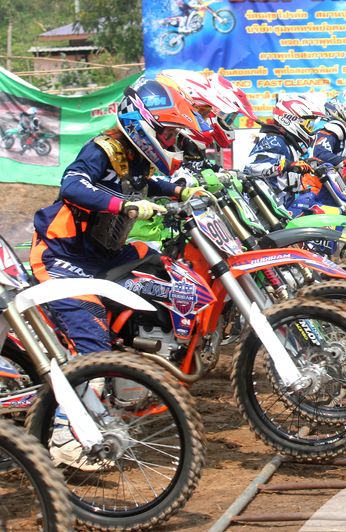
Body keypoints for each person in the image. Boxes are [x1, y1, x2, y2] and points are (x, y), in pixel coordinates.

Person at [28, 78, 202, 467]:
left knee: (159, 266)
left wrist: (179, 192)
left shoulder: (135, 157)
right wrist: (123, 206)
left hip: (103, 254)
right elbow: (72, 186)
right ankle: (65, 435)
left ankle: (132, 369)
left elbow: (143, 184)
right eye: (168, 133)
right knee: (91, 342)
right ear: (143, 125)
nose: (171, 141)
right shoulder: (101, 148)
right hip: (60, 256)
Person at [244, 95, 326, 215]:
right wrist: (289, 165)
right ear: (290, 119)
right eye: (309, 124)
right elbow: (252, 168)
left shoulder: (288, 143)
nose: (311, 129)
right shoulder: (274, 140)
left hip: (281, 206)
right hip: (264, 210)